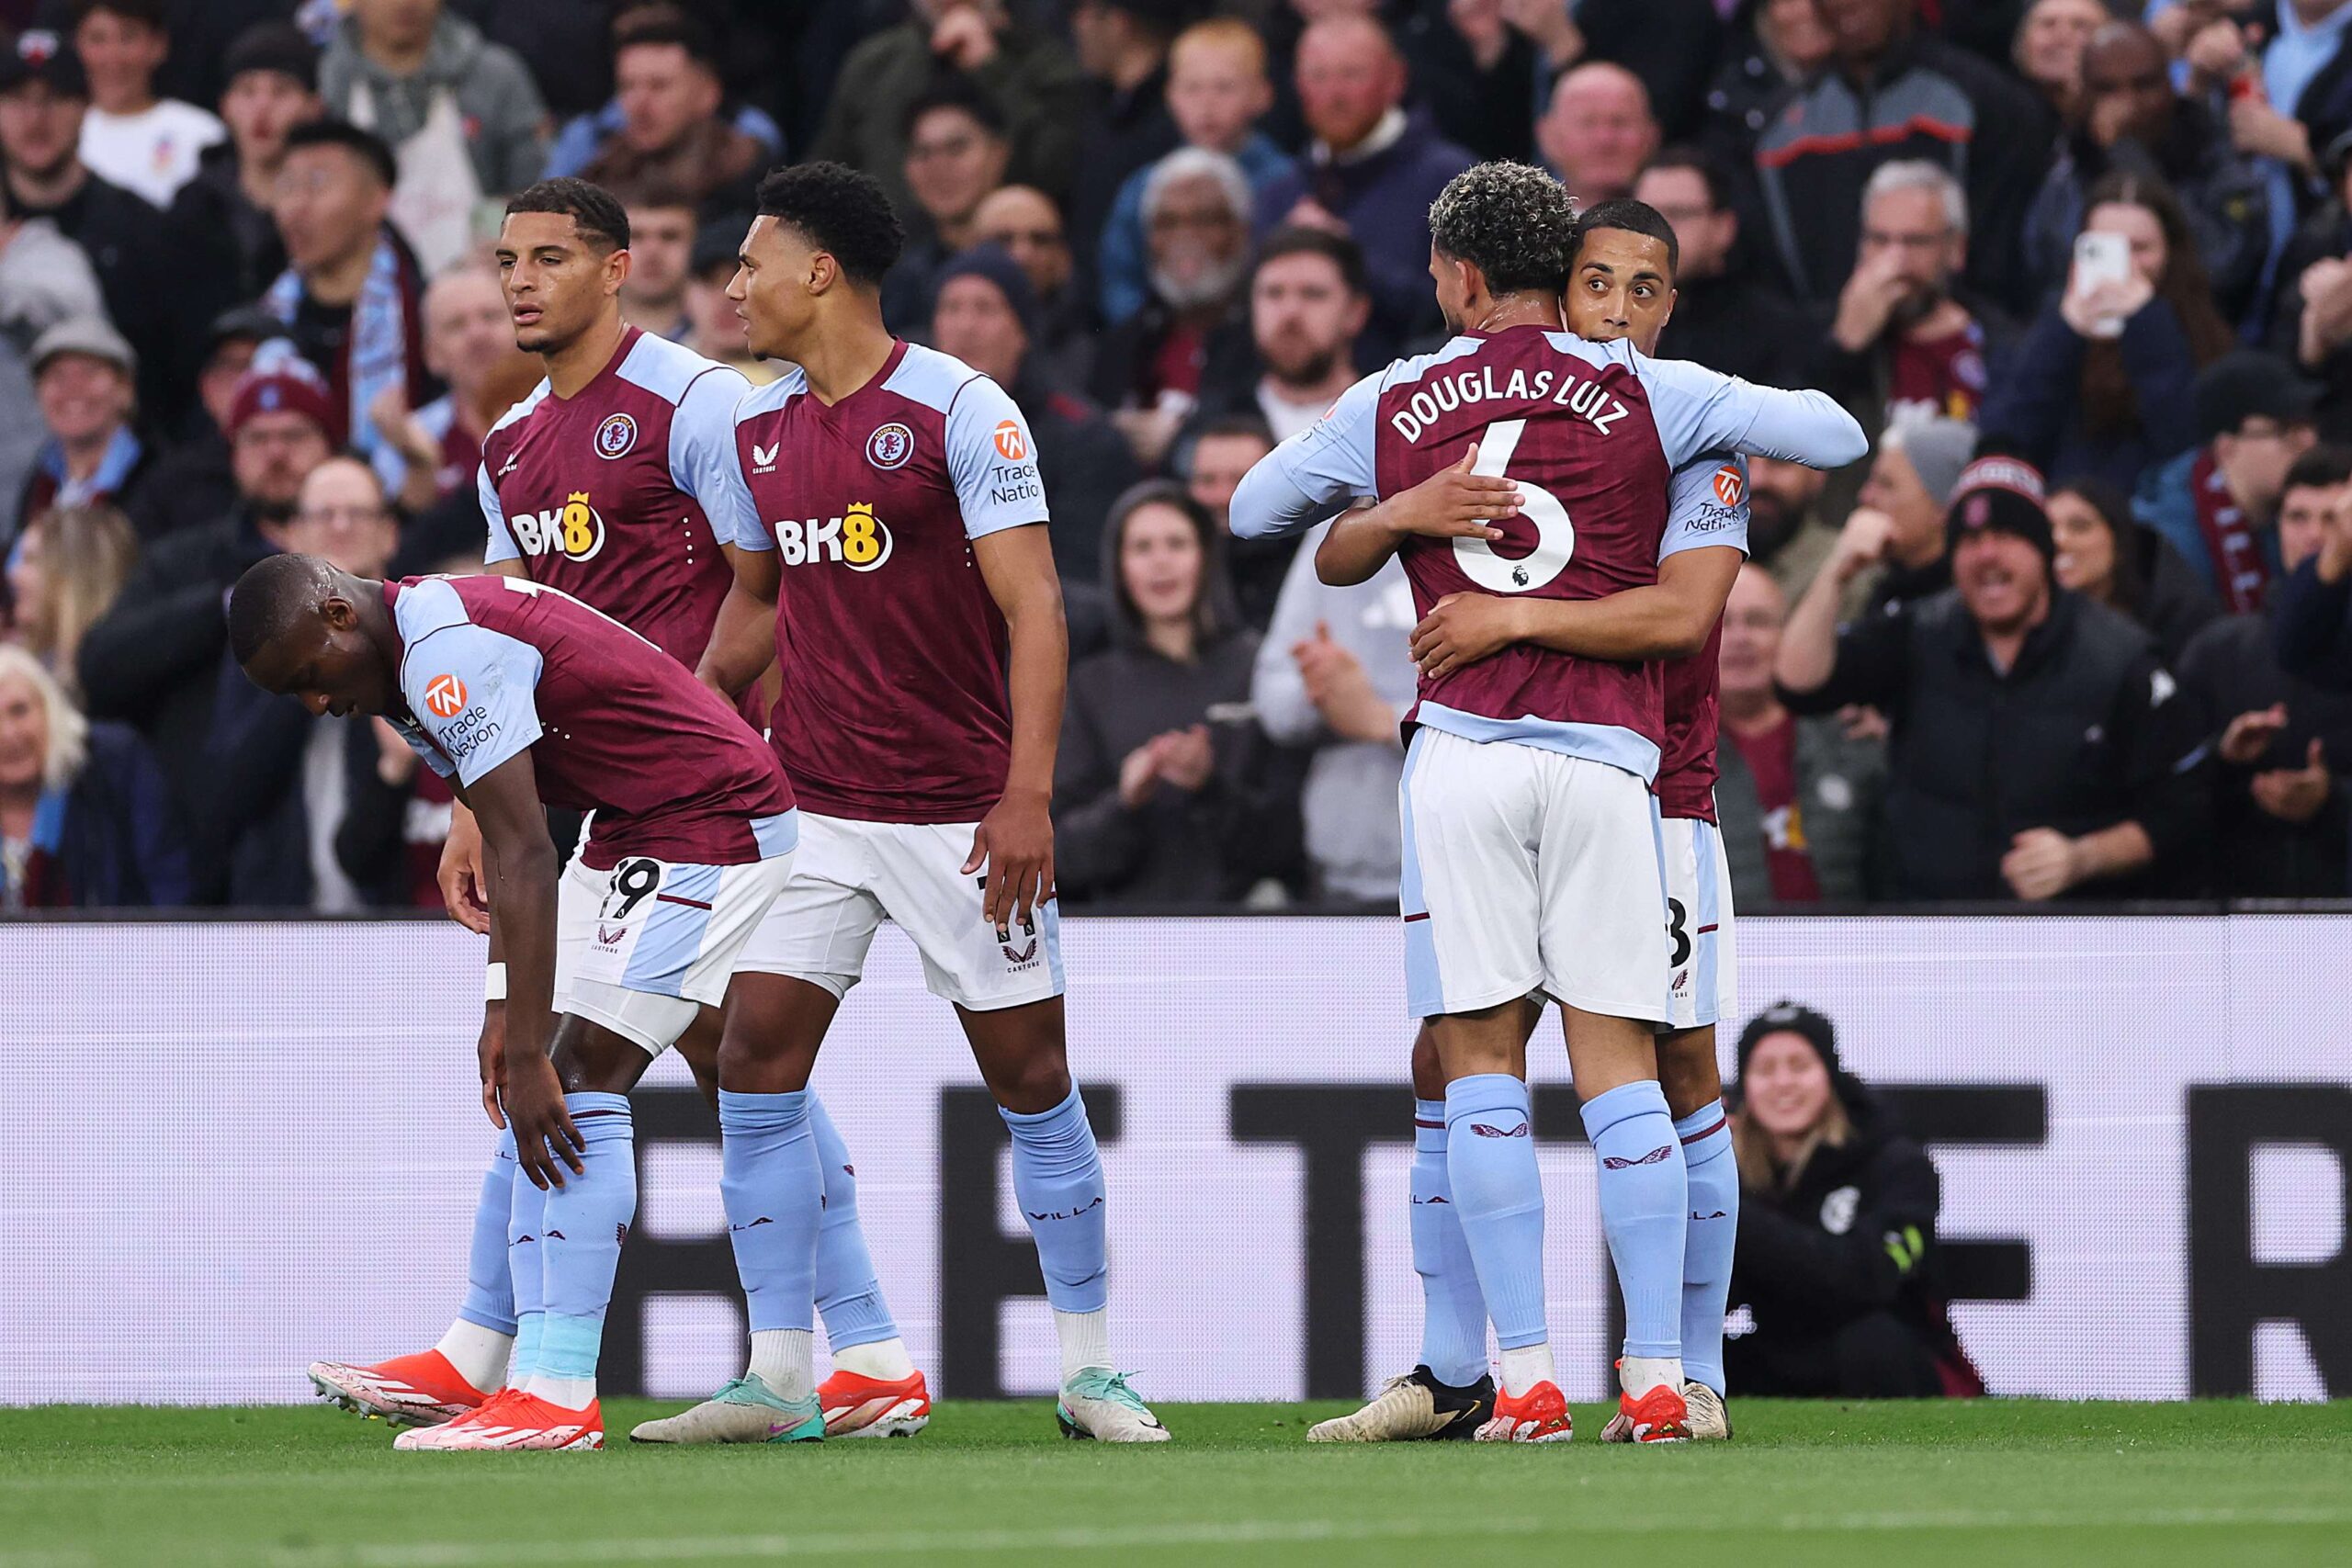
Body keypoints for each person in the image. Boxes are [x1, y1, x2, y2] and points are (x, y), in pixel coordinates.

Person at [1235, 163, 1863, 1446]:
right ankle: (1640, 1374)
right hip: (1611, 767)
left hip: (1469, 748)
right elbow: (1841, 435)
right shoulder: (1654, 396)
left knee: (1482, 1059)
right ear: (1560, 278)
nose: (1621, 310)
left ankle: (1528, 1376)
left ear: (1459, 274)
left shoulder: (1399, 392)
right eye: (1601, 285)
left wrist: (1409, 516)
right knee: (1621, 1062)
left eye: (1644, 291)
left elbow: (1255, 509)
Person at [305, 177, 929, 1446]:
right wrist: (484, 803)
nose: (517, 283)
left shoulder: (700, 400)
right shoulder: (513, 443)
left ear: (616, 267)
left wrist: (689, 720)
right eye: (503, 261)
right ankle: (859, 1349)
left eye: (548, 257)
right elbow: (509, 626)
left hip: (710, 780)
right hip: (608, 792)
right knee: (725, 1059)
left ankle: (532, 1361)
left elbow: (773, 579)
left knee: (613, 1053)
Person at [693, 160, 1170, 1443]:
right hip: (818, 806)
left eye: (752, 261)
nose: (734, 285)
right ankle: (781, 1370)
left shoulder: (962, 407)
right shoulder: (757, 426)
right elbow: (760, 594)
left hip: (964, 808)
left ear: (821, 270)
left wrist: (1026, 793)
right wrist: (686, 712)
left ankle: (1089, 1370)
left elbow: (1039, 606)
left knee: (1033, 1074)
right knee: (751, 1056)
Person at [230, 551, 801, 1453]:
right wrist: (504, 1008)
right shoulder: (400, 667)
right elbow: (502, 841)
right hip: (638, 821)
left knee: (574, 1075)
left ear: (338, 611)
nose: (315, 704)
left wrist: (530, 1044)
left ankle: (557, 1393)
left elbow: (529, 854)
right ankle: (483, 1361)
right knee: (724, 1076)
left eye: (309, 676)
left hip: (710, 816)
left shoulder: (441, 658)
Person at [1776, 457, 2211, 900]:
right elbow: (1799, 684)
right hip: (1928, 931)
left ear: (2044, 552)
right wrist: (1838, 571)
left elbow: (2184, 809)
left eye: (2006, 536)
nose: (1987, 555)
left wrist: (2084, 856)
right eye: (1969, 540)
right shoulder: (1916, 632)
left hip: (2072, 938)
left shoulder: (2120, 657)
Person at [73, 355, 334, 901]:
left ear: (328, 445)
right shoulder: (184, 561)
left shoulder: (371, 549)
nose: (276, 453)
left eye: (294, 435)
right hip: (195, 850)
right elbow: (99, 664)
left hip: (330, 844)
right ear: (233, 454)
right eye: (257, 439)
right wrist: (225, 607)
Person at [1055, 480, 1297, 904]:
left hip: (1251, 929)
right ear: (1118, 566)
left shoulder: (1258, 666)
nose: (1161, 562)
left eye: (1177, 544)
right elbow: (1058, 857)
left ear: (1206, 557)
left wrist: (1209, 786)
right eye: (1142, 548)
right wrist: (1126, 801)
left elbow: (1290, 844)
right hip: (1119, 934)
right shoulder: (1090, 686)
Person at [1725, 1003, 1981, 1399]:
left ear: (1830, 1075)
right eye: (1765, 1070)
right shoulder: (1728, 1173)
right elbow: (1715, 1302)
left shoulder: (1896, 1164)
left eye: (1799, 1065)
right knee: (1697, 1370)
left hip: (1893, 1362)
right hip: (1779, 1360)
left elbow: (1867, 1279)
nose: (1783, 1083)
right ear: (1744, 1087)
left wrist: (1733, 1214)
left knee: (1871, 1344)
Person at [197, 453, 406, 909]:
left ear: (390, 533)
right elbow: (226, 794)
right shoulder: (250, 649)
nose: (340, 526)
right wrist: (303, 647)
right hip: (276, 922)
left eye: (358, 514)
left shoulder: (419, 643)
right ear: (293, 536)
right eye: (323, 515)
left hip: (400, 924)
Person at [1748, 0, 2051, 316]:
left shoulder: (1987, 104)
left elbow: (2006, 258)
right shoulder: (1777, 129)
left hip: (1962, 346)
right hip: (1825, 352)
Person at [1, 27, 220, 432]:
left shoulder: (145, 230)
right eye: (16, 101)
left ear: (87, 106)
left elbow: (180, 374)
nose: (35, 119)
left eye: (55, 99)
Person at [1981, 174, 2233, 496]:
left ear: (2171, 253)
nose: (2125, 265)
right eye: (2105, 248)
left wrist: (2148, 325)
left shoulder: (2207, 338)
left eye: (2140, 249)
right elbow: (2006, 438)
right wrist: (2064, 334)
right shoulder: (2045, 332)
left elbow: (2184, 445)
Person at [2177, 446, 2352, 896]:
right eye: (2298, 517)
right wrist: (2226, 757)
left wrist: (2332, 799)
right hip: (2236, 925)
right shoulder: (2218, 649)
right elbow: (2167, 791)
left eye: (2335, 520)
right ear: (2275, 529)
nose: (2316, 536)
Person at [1251, 15, 1475, 351]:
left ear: (1396, 79)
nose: (1334, 93)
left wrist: (1347, 257)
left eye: (1352, 74)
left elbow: (1467, 311)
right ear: (1298, 85)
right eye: (1318, 76)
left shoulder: (1452, 182)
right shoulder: (1278, 194)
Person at [2024, 23, 2271, 327]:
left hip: (2198, 342)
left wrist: (2128, 156)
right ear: (2085, 94)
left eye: (2144, 85)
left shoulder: (2214, 150)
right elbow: (2046, 270)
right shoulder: (2070, 162)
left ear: (2169, 84)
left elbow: (2223, 267)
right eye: (2107, 89)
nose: (2128, 104)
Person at [927, 243, 1139, 587]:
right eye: (951, 308)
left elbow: (1080, 581)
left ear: (1022, 332)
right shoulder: (903, 430)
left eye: (986, 309)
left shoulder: (1086, 438)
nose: (965, 326)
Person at [1250, 498, 1416, 906]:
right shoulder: (1333, 536)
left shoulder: (1497, 532)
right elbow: (1273, 696)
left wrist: (1386, 722)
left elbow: (1521, 711)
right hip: (1344, 870)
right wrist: (1322, 692)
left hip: (1470, 865)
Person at [808, 0, 1083, 223]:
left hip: (1006, 263)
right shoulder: (874, 64)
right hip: (889, 265)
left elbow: (1056, 167)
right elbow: (825, 181)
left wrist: (991, 68)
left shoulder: (1047, 61)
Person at [1099, 17, 1295, 328]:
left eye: (1224, 87)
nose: (1207, 104)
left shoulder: (1285, 183)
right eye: (1192, 88)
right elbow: (1121, 276)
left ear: (1262, 95)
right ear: (1170, 96)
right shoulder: (1144, 186)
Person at [1713, 563, 1884, 905]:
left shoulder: (1851, 739)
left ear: (1787, 634)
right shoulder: (1673, 754)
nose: (1740, 638)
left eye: (1758, 621)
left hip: (1850, 947)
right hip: (1729, 952)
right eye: (1722, 623)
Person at [264, 118, 431, 463]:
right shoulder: (263, 319)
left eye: (317, 185)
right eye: (287, 186)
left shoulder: (424, 316)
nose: (295, 206)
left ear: (376, 200)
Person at [1806, 162, 2011, 433]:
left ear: (1955, 249)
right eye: (1879, 240)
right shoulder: (1815, 336)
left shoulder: (2000, 344)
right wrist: (1843, 348)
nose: (1895, 262)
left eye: (1915, 242)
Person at [1090, 147, 1255, 471]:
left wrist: (1182, 440)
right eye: (1167, 223)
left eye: (1204, 220)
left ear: (1240, 231)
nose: (1185, 237)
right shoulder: (1124, 342)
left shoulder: (1268, 337)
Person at [0, 639, 185, 907]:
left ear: (49, 709)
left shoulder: (114, 764)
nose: (9, 734)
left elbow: (170, 885)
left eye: (19, 710)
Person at [2136, 351, 2322, 615]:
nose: (2308, 443)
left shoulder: (2306, 514)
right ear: (2227, 448)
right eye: (2286, 431)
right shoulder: (2165, 539)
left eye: (2308, 426)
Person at [170, 21, 318, 307]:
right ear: (224, 106)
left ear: (314, 107)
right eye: (247, 90)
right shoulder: (192, 208)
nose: (262, 107)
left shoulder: (330, 209)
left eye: (281, 91)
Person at [1634, 146, 1807, 388]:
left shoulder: (1774, 333)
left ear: (1724, 227)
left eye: (1678, 214)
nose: (1657, 231)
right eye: (1644, 216)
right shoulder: (1605, 323)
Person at [369, 266, 536, 514]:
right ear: (432, 355)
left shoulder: (570, 418)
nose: (478, 335)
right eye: (456, 325)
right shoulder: (407, 442)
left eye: (490, 316)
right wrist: (420, 466)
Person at [577, 14, 758, 220]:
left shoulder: (746, 176)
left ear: (708, 93)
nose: (639, 103)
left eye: (659, 86)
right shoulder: (599, 175)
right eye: (627, 86)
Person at [122, 304, 274, 543]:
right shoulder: (168, 484)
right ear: (207, 387)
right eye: (229, 368)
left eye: (259, 364)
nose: (247, 381)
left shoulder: (331, 474)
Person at [1062, 0, 1182, 294]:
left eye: (1082, 13)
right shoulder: (1097, 106)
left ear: (1118, 22)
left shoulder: (1177, 118)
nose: (1075, 26)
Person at [880, 80, 1012, 333]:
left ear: (999, 154)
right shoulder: (894, 275)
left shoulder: (1032, 249)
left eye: (956, 148)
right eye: (923, 152)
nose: (939, 168)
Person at [69, 0, 221, 208]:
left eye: (128, 38)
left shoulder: (201, 134)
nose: (113, 56)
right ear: (78, 45)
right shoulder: (57, 133)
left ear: (158, 45)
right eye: (98, 39)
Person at [2048, 477, 2219, 660]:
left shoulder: (2185, 624)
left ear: (2120, 543)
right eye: (2046, 528)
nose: (2058, 539)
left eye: (2080, 526)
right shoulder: (2030, 633)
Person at [1829, 415, 1975, 621]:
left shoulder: (1966, 609)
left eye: (1886, 485)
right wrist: (1834, 575)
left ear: (1944, 508)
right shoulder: (1878, 585)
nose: (1866, 496)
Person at [17, 315, 146, 533]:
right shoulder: (39, 482)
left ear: (125, 389)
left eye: (90, 372)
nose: (73, 388)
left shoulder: (158, 484)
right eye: (57, 376)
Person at [973, 184, 1095, 394]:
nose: (1022, 255)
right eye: (1003, 239)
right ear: (971, 249)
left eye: (1040, 240)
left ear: (1063, 255)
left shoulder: (1092, 350)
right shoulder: (925, 347)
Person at [3, 500, 134, 689]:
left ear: (75, 576)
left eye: (29, 560)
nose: (12, 574)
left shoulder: (123, 681)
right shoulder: (22, 674)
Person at [1178, 413, 1293, 631]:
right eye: (1207, 480)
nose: (1223, 496)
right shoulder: (1173, 569)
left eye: (1241, 480)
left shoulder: (1312, 561)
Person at [1535, 62, 1658, 207]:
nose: (1604, 139)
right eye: (1587, 123)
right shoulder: (1515, 224)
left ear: (1651, 136)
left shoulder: (1678, 221)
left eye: (1619, 123)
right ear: (1549, 137)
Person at [1745, 455, 1841, 599]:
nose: (1756, 479)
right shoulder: (1700, 561)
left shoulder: (1847, 568)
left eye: (1779, 460)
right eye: (1739, 461)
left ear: (1818, 470)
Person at [615, 184, 695, 342]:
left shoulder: (728, 343)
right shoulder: (574, 342)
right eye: (636, 236)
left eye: (669, 236)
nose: (652, 250)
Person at [2011, 0, 2106, 122]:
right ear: (2022, 43)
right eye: (2048, 24)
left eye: (2080, 25)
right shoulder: (1995, 112)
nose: (2062, 36)